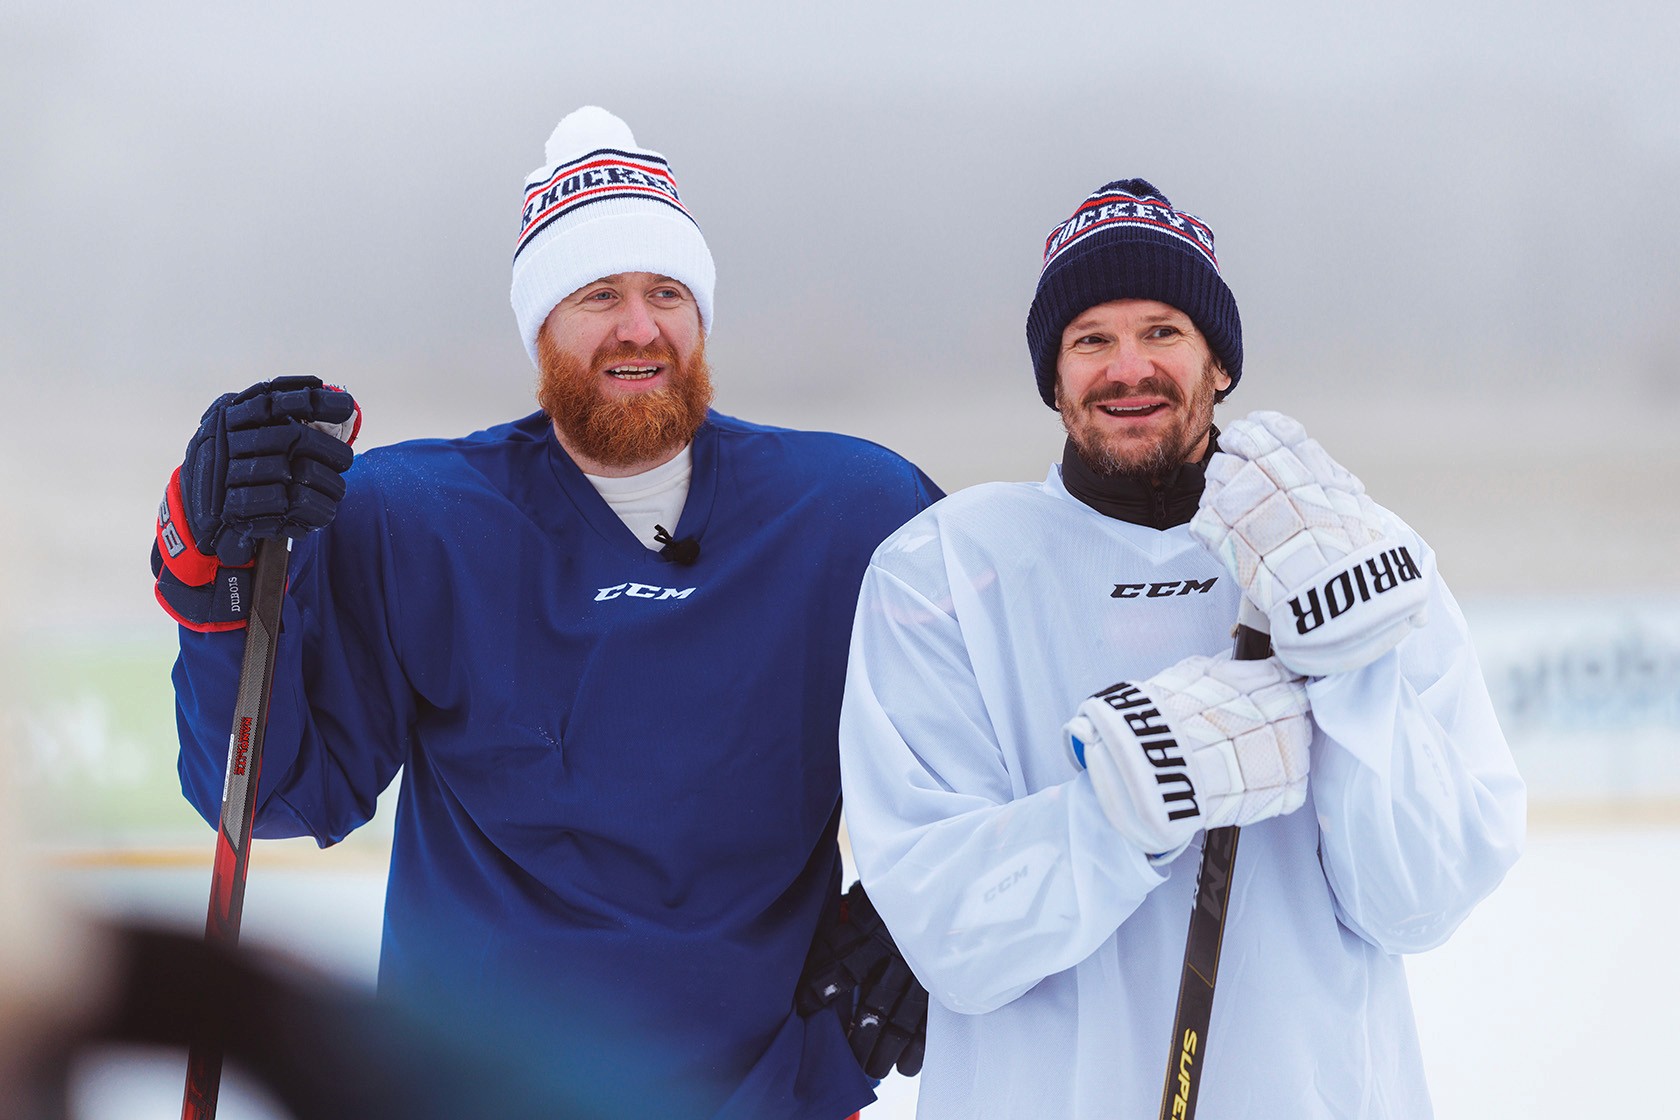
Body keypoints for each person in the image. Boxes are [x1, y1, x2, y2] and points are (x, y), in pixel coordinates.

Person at [151, 106, 937, 1119]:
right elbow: (273, 792)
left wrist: (917, 914)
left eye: (666, 292)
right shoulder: (416, 517)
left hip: (760, 1094)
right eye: (597, 293)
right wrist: (214, 571)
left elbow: (989, 736)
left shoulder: (856, 511)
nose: (639, 325)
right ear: (540, 327)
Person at [837, 178, 1526, 1118]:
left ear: (1220, 363)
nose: (1129, 368)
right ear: (1053, 377)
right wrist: (1134, 798)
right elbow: (950, 932)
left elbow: (1421, 900)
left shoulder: (1346, 553)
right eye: (1092, 340)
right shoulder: (943, 570)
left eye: (1162, 330)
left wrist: (1353, 675)